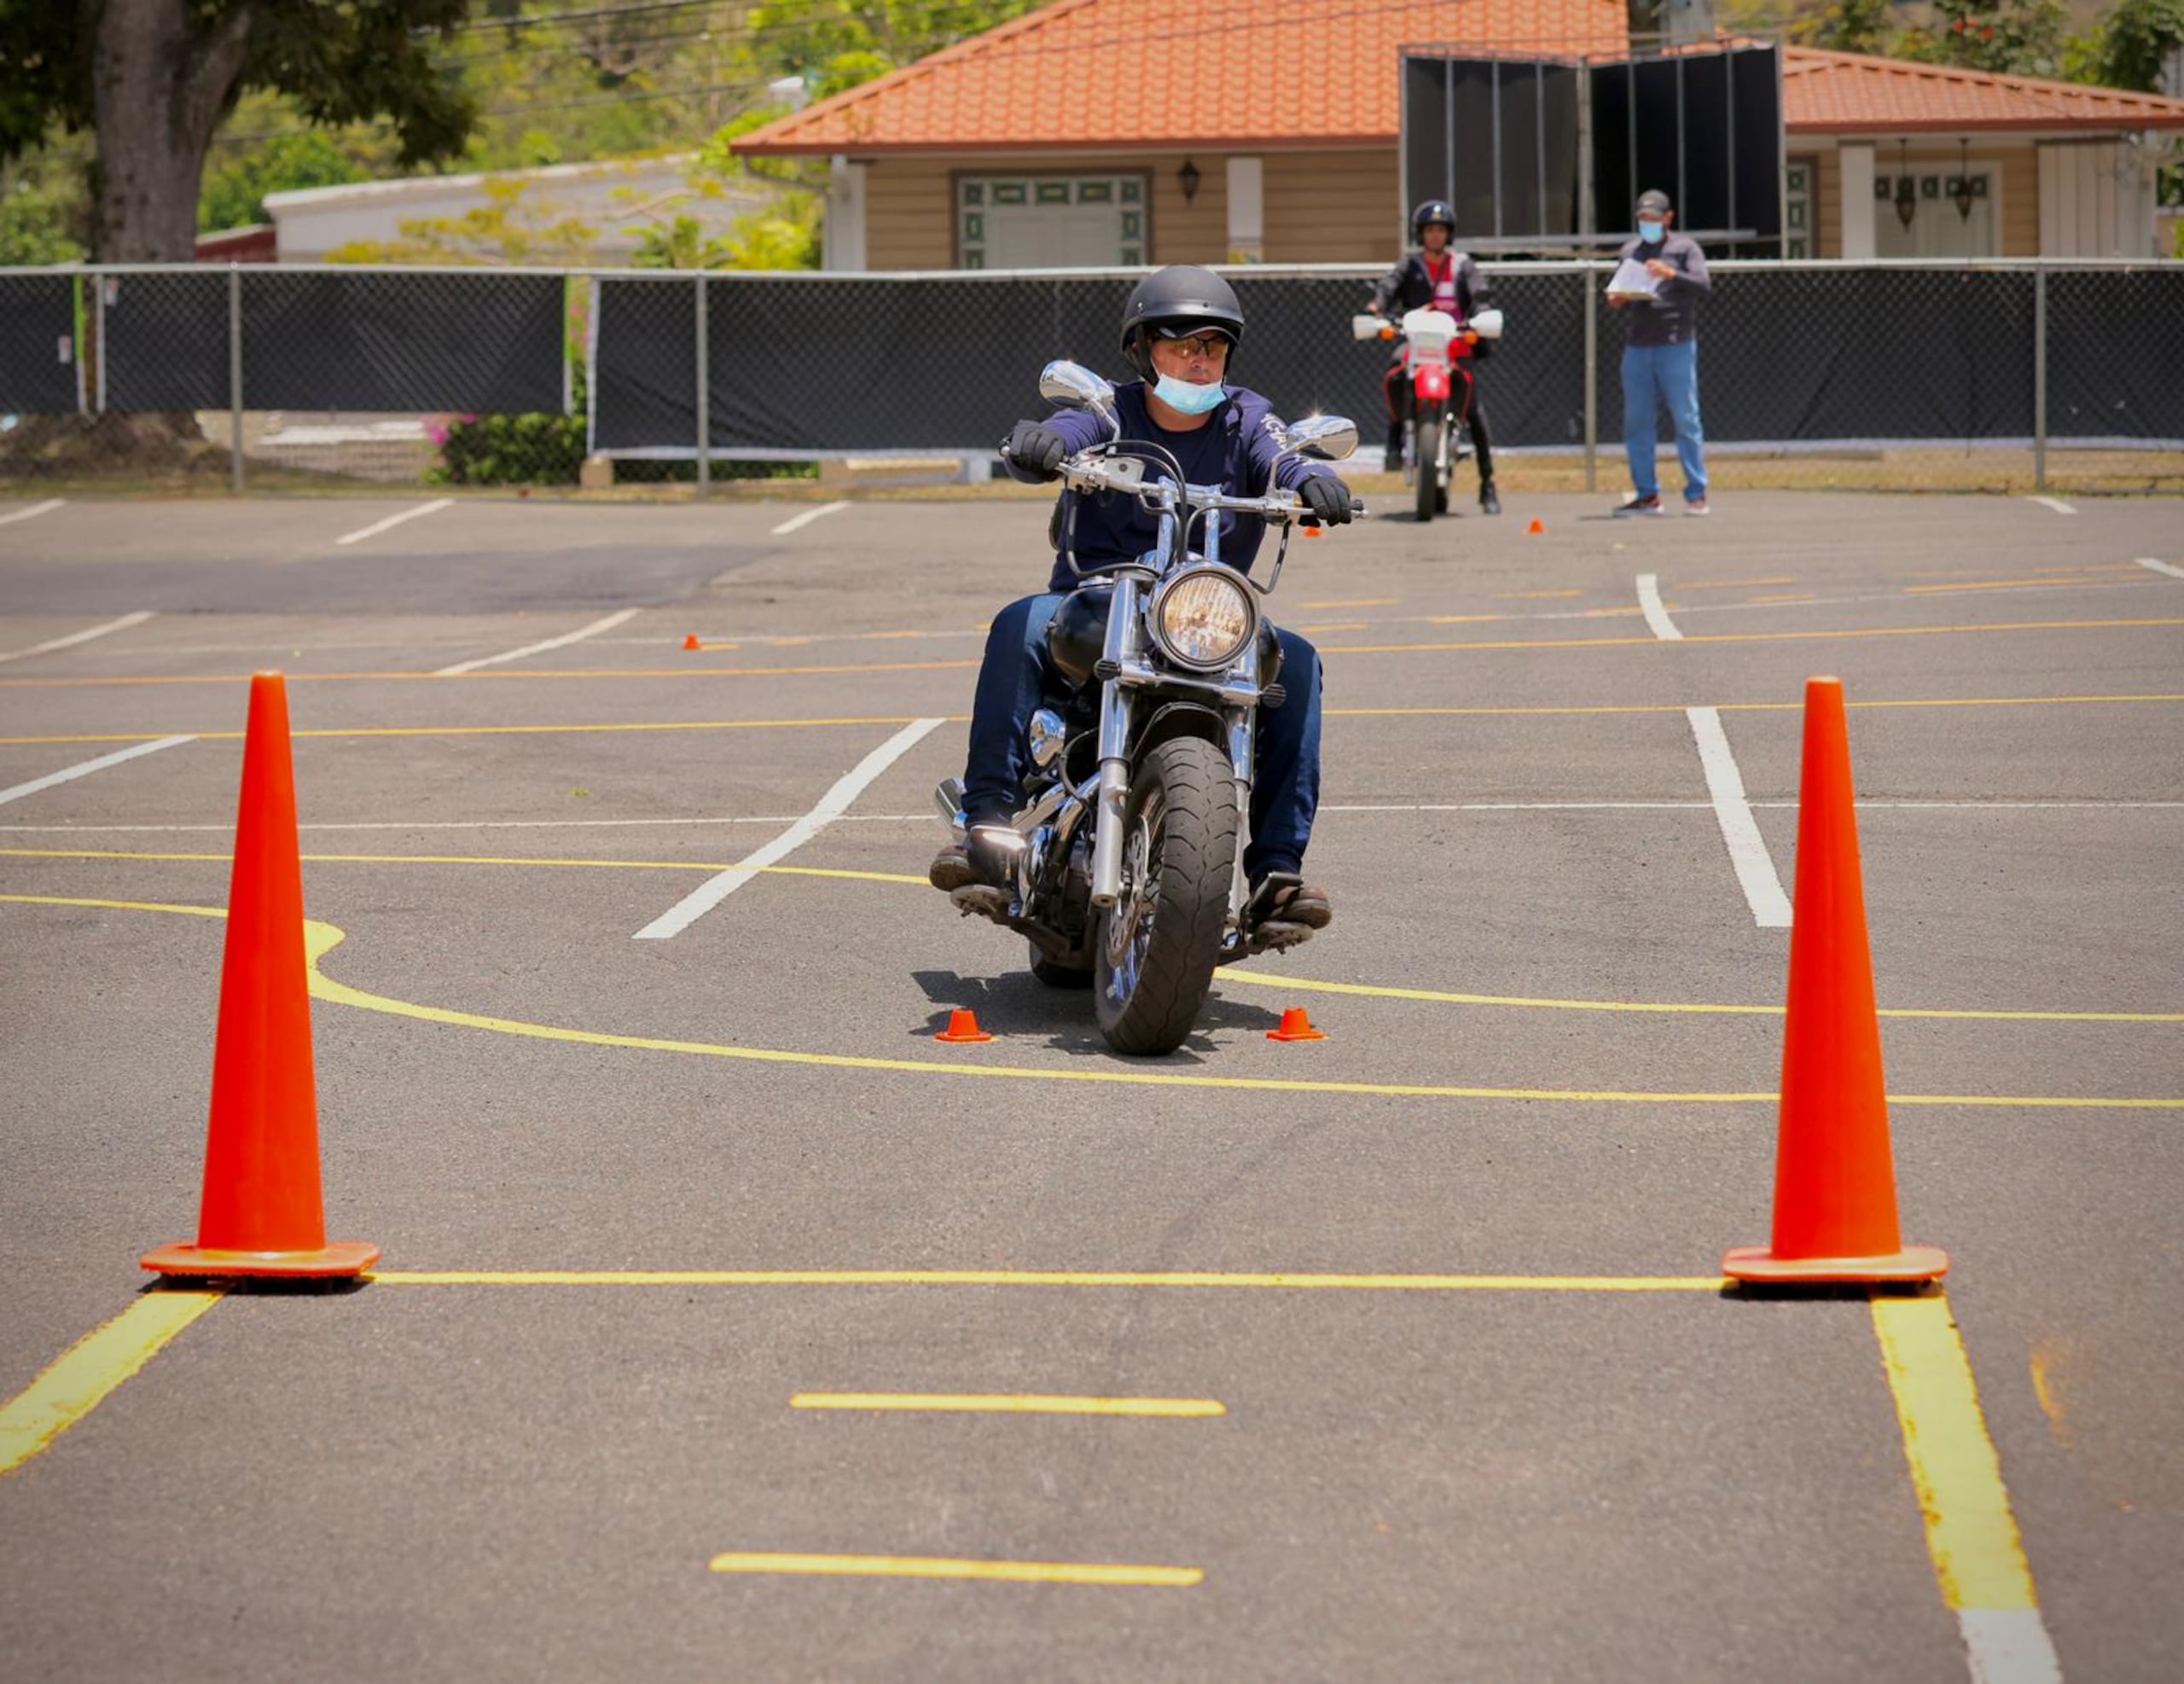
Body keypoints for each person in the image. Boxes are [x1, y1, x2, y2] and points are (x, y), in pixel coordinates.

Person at [930, 264, 1355, 932]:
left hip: (1206, 614)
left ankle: (1276, 872)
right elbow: (1062, 435)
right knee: (1020, 623)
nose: (1198, 359)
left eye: (1212, 346)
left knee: (1297, 660)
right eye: (1181, 344)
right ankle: (985, 827)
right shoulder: (1109, 411)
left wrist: (1310, 480)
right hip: (1099, 602)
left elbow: (1283, 456)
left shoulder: (1246, 416)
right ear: (1141, 349)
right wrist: (1038, 445)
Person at [1368, 198, 1500, 515]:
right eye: (1430, 230)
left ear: (1449, 234)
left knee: (1476, 412)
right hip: (1416, 344)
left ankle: (1488, 483)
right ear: (1421, 234)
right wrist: (1377, 306)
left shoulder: (1463, 265)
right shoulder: (1409, 265)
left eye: (1441, 230)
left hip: (1454, 345)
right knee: (1394, 370)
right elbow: (1388, 287)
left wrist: (1481, 316)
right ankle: (1394, 441)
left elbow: (1479, 294)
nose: (1435, 236)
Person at [1609, 188, 1711, 516]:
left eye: (1653, 218)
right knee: (1637, 422)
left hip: (1676, 345)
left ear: (1669, 218)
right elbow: (1618, 294)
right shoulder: (1631, 251)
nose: (1647, 224)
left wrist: (1671, 274)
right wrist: (1619, 298)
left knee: (1686, 419)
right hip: (1638, 347)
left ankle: (1697, 493)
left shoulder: (1684, 248)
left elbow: (1703, 284)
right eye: (1642, 219)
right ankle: (1647, 494)